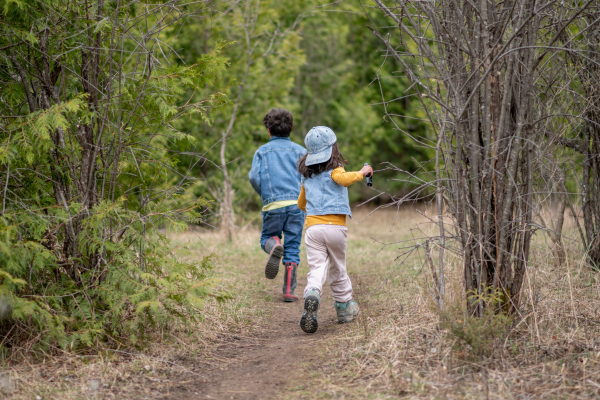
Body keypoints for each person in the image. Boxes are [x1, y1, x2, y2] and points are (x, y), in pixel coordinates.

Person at [296, 126, 373, 334]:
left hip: (313, 229)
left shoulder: (306, 177)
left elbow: (301, 204)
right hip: (335, 229)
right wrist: (362, 172)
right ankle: (344, 308)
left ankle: (312, 292)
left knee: (317, 268)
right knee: (338, 267)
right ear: (332, 150)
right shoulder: (336, 170)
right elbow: (344, 180)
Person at [249, 108, 307, 302]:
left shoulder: (262, 151)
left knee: (266, 237)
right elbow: (307, 178)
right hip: (296, 206)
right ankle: (289, 291)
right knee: (292, 246)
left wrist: (265, 195)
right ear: (290, 128)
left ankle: (273, 245)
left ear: (268, 130)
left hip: (272, 204)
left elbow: (253, 178)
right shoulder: (300, 151)